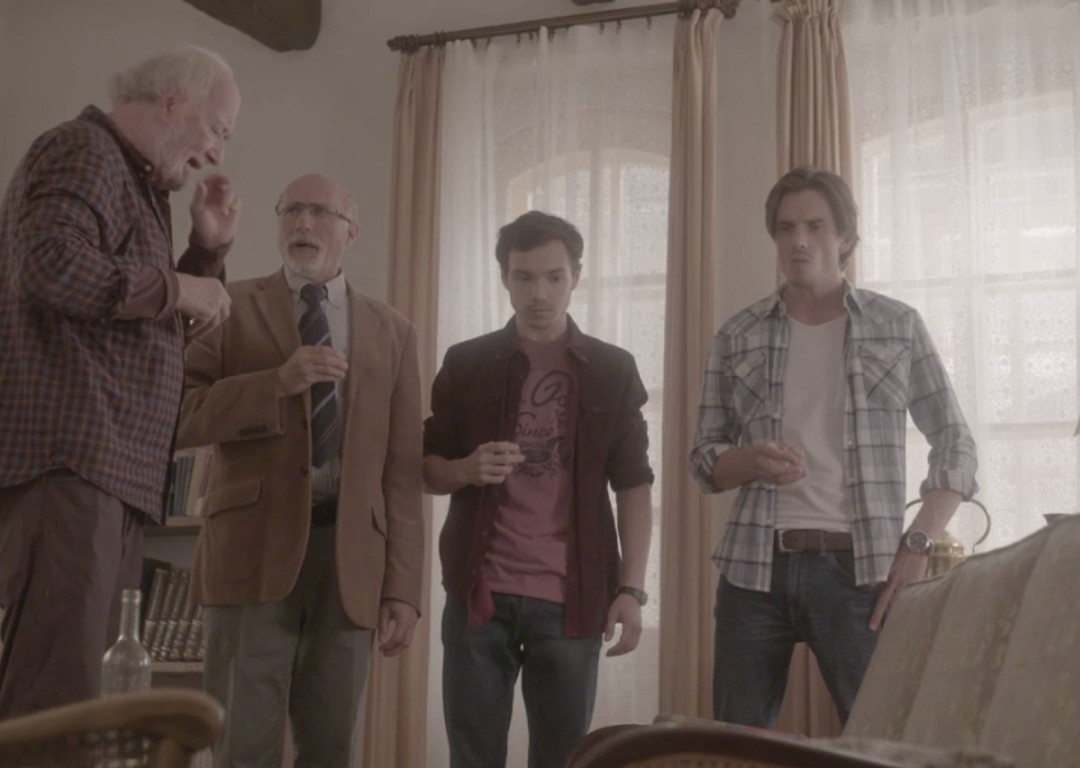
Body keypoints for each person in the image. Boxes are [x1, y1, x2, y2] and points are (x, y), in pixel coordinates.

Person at [690, 166, 979, 727]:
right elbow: (704, 459)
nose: (798, 240)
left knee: (880, 740)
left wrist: (918, 543)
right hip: (754, 570)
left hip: (860, 570)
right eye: (786, 228)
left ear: (844, 236)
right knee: (734, 750)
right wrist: (750, 461)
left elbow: (955, 442)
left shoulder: (897, 326)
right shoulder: (737, 334)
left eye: (815, 226)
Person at [0, 45, 240, 717]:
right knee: (57, 696)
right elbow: (50, 267)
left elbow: (134, 328)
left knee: (89, 700)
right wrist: (181, 286)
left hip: (108, 474)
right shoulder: (83, 151)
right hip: (72, 462)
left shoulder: (134, 181)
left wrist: (204, 254)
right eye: (217, 128)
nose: (216, 153)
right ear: (171, 102)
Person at [177, 173, 424, 768]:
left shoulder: (393, 331)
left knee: (331, 750)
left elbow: (402, 472)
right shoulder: (226, 305)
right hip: (250, 554)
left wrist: (403, 588)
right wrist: (276, 383)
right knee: (242, 747)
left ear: (351, 231)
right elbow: (177, 415)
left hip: (350, 565)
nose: (303, 224)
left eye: (319, 212)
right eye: (290, 211)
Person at [423, 210, 654, 768]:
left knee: (563, 760)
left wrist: (631, 590)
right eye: (524, 277)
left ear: (576, 276)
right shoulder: (467, 362)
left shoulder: (612, 369)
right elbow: (426, 469)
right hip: (479, 593)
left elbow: (634, 485)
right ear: (504, 277)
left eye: (554, 277)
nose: (539, 293)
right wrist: (466, 469)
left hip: (573, 598)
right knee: (472, 759)